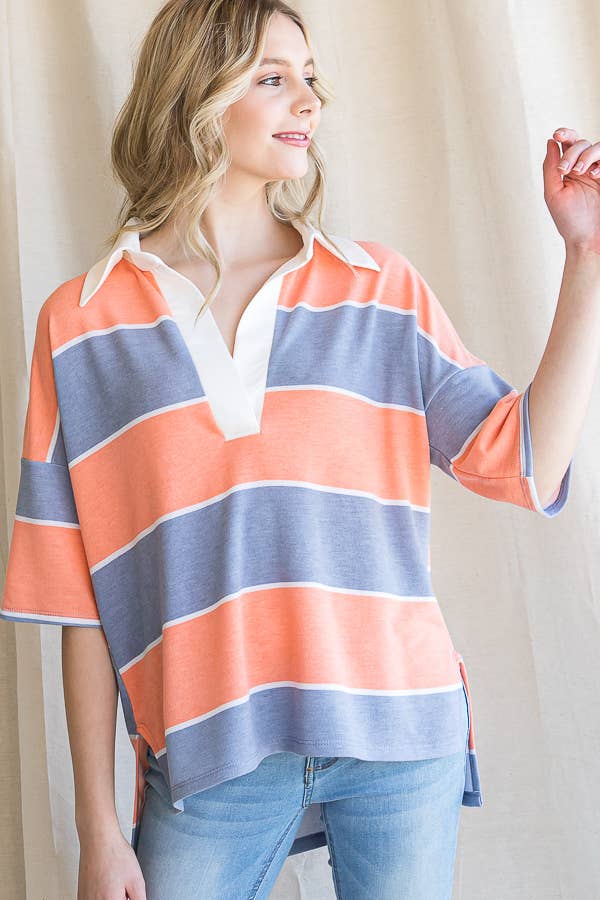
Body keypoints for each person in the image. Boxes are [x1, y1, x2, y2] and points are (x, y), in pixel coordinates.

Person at [0, 1, 577, 898]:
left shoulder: (377, 287)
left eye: (308, 78)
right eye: (272, 78)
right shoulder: (82, 324)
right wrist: (99, 832)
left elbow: (527, 463)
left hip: (398, 733)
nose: (308, 100)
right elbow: (79, 603)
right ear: (194, 92)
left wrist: (586, 254)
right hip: (209, 755)